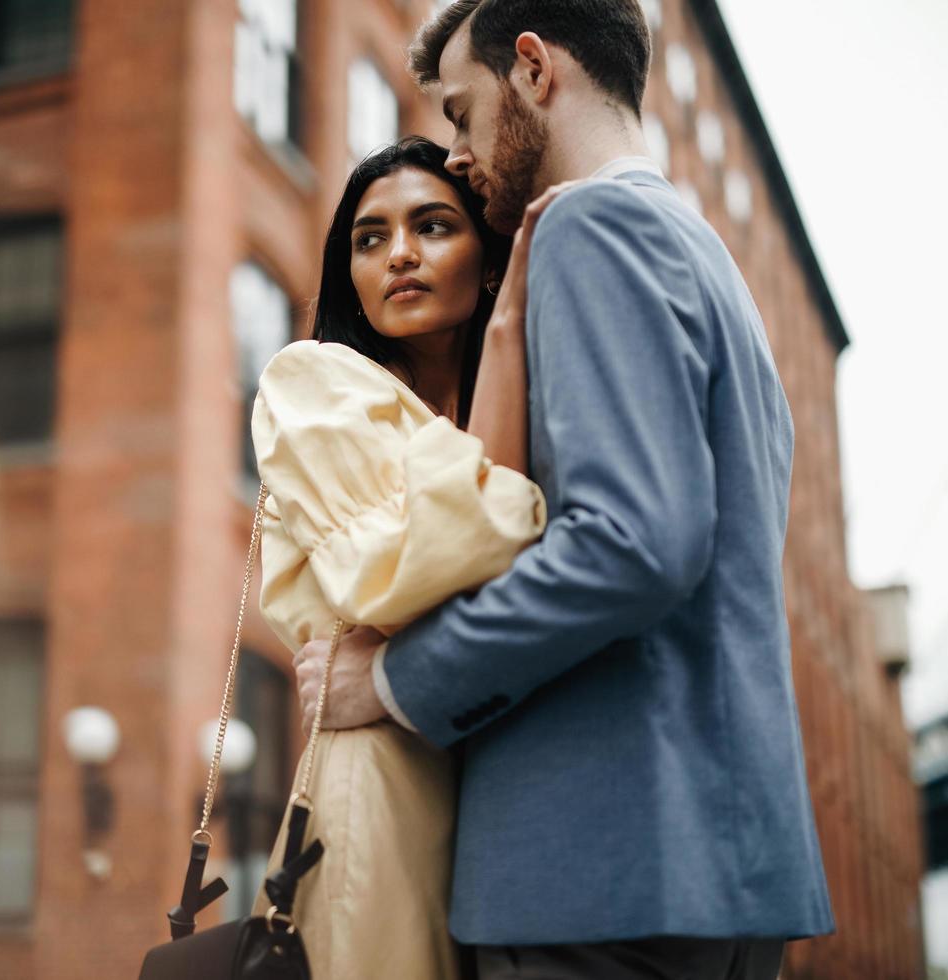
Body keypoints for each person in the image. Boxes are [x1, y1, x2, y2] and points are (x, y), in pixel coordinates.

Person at [290, 2, 835, 979]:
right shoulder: (706, 258)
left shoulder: (591, 223)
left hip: (596, 868)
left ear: (534, 71)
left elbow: (634, 543)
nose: (459, 152)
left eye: (462, 113)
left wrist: (391, 680)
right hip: (725, 870)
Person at [248, 136, 547, 979]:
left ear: (488, 259)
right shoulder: (314, 386)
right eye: (369, 239)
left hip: (517, 786)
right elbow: (419, 569)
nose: (400, 255)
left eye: (433, 226)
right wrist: (516, 327)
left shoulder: (536, 391)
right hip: (382, 784)